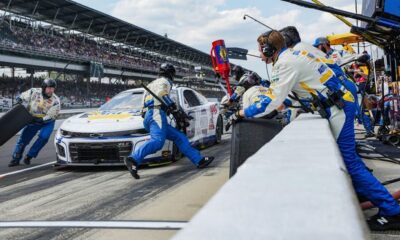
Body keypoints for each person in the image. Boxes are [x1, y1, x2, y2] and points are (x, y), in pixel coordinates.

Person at [236, 30, 400, 230]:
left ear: (270, 49)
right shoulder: (295, 54)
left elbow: (270, 102)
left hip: (338, 110)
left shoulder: (285, 64)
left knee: (350, 162)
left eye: (261, 50)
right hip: (340, 105)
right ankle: (368, 194)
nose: (260, 54)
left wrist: (242, 113)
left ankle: (392, 211)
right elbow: (292, 94)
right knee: (350, 162)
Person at [124, 63, 214, 179]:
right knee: (158, 142)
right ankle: (133, 159)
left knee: (179, 137)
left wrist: (169, 109)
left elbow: (147, 105)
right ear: (171, 74)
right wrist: (173, 109)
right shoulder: (164, 81)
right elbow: (162, 94)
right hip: (156, 114)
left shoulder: (151, 84)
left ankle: (199, 160)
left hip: (150, 116)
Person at [8, 78, 60, 167]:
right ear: (44, 87)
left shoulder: (56, 100)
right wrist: (19, 99)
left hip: (47, 121)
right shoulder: (33, 91)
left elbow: (52, 115)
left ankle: (29, 156)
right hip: (32, 119)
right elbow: (23, 96)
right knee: (23, 139)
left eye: (52, 88)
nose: (51, 90)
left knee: (44, 137)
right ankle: (15, 158)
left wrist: (41, 120)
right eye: (49, 88)